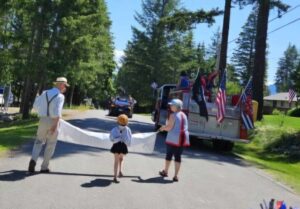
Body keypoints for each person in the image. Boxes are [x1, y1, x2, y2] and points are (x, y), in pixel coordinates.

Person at [28, 77, 69, 174]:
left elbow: (35, 105)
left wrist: (43, 112)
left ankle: (33, 159)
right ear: (61, 85)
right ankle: (44, 167)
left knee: (38, 141)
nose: (65, 88)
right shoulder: (60, 96)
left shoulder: (44, 93)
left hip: (42, 120)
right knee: (50, 144)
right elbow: (57, 112)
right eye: (65, 86)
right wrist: (55, 126)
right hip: (53, 121)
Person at [159, 98, 190, 182]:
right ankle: (176, 176)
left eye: (172, 105)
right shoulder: (184, 115)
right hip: (183, 138)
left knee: (169, 154)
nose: (170, 106)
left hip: (174, 137)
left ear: (176, 106)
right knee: (178, 156)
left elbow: (169, 127)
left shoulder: (173, 115)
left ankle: (165, 171)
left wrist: (162, 128)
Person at [110, 114, 132, 183]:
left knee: (116, 161)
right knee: (121, 159)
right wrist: (127, 144)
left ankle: (115, 177)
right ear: (126, 122)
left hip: (116, 146)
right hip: (123, 146)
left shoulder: (114, 129)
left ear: (118, 121)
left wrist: (117, 139)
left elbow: (111, 139)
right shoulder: (128, 129)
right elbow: (129, 140)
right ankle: (120, 171)